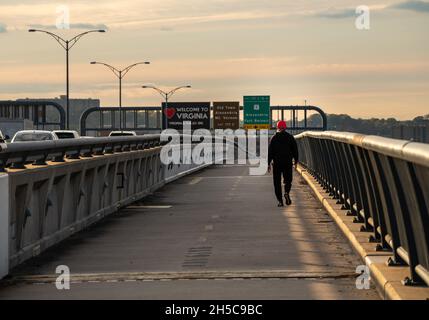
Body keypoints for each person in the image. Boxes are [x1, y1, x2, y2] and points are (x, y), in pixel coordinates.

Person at [268, 120, 299, 207]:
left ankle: (280, 201)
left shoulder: (274, 138)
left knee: (277, 183)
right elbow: (295, 150)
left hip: (277, 163)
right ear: (285, 127)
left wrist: (268, 163)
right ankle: (286, 192)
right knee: (288, 180)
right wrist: (295, 161)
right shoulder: (290, 137)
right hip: (287, 162)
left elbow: (270, 152)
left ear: (277, 127)